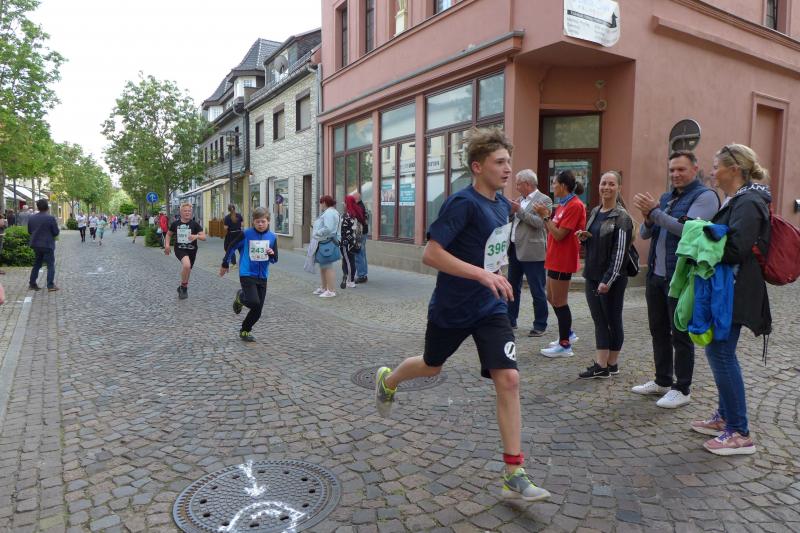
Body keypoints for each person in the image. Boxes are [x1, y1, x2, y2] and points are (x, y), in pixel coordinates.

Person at [375, 128, 550, 502]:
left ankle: (514, 472)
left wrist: (496, 275)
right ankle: (389, 380)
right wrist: (482, 275)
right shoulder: (461, 203)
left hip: (490, 307)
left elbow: (491, 253)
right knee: (431, 365)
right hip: (453, 307)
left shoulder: (502, 206)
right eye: (499, 162)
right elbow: (431, 254)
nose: (507, 169)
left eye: (508, 161)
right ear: (477, 166)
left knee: (509, 379)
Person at [687, 144, 771, 455]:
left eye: (716, 166)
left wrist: (704, 236)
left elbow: (736, 248)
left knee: (720, 353)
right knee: (719, 350)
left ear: (734, 169)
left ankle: (740, 432)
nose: (712, 172)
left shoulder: (749, 201)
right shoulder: (739, 199)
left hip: (736, 289)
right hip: (728, 288)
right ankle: (725, 418)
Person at [631, 150, 719, 408]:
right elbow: (645, 234)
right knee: (658, 330)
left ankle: (682, 388)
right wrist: (649, 218)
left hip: (681, 278)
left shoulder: (705, 196)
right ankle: (662, 380)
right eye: (672, 170)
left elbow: (687, 230)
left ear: (695, 169)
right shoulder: (666, 197)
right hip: (656, 275)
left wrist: (655, 212)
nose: (675, 174)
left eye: (681, 169)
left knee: (680, 333)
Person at [576, 171, 634, 379]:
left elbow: (620, 252)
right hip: (592, 274)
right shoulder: (595, 211)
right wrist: (584, 238)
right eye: (603, 183)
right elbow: (596, 241)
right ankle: (603, 365)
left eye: (611, 184)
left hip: (612, 279)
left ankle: (611, 363)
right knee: (599, 320)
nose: (606, 187)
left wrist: (608, 280)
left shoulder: (622, 217)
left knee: (613, 319)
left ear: (619, 188)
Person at [533, 170, 586, 357]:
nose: (553, 186)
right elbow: (553, 230)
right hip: (554, 258)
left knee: (560, 301)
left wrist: (545, 216)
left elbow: (559, 234)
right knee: (551, 298)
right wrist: (546, 216)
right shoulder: (563, 204)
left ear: (563, 186)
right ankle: (568, 333)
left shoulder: (575, 205)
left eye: (554, 183)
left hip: (563, 260)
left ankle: (565, 346)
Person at [220, 207, 278, 342]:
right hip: (247, 273)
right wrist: (225, 263)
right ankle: (241, 297)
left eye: (263, 221)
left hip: (262, 276)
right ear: (253, 222)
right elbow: (232, 246)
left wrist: (271, 254)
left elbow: (275, 259)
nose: (260, 224)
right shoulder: (246, 234)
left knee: (258, 310)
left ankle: (245, 330)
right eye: (257, 222)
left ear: (268, 221)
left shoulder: (272, 237)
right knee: (253, 302)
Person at [506, 169, 551, 337]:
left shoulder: (544, 199)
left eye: (518, 184)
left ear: (527, 184)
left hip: (533, 251)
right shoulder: (519, 200)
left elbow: (540, 223)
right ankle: (510, 320)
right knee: (512, 288)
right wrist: (511, 213)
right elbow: (515, 222)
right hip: (514, 250)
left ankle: (540, 325)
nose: (516, 187)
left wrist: (519, 211)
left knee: (537, 289)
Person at [164, 203, 206, 299]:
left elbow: (204, 237)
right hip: (180, 249)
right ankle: (183, 288)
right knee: (186, 265)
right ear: (181, 212)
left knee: (188, 269)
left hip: (192, 250)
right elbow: (168, 234)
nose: (187, 212)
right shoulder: (176, 224)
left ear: (191, 212)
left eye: (189, 211)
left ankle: (183, 287)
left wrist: (196, 236)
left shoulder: (194, 224)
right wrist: (167, 245)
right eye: (185, 211)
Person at [27, 199, 60, 292]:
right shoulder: (50, 218)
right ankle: (50, 285)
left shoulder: (32, 218)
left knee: (37, 264)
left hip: (36, 244)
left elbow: (29, 231)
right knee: (50, 265)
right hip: (47, 244)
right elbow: (55, 232)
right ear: (47, 207)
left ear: (38, 207)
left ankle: (32, 284)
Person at [311, 196, 341, 298]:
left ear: (324, 202)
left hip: (327, 241)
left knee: (327, 266)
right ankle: (324, 288)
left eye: (320, 203)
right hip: (326, 241)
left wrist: (317, 233)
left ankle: (331, 290)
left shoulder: (329, 213)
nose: (320, 205)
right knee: (323, 265)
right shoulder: (332, 212)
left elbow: (328, 228)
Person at [339, 195, 364, 290]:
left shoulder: (347, 215)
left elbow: (343, 230)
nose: (344, 204)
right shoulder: (356, 213)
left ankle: (350, 280)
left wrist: (343, 241)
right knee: (351, 260)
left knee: (348, 262)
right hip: (355, 242)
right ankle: (348, 277)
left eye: (345, 202)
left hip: (346, 243)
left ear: (347, 203)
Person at [352, 191, 369, 284]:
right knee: (362, 254)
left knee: (358, 254)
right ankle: (363, 274)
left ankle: (362, 275)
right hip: (363, 232)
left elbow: (357, 221)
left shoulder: (359, 207)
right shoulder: (361, 206)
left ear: (356, 198)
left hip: (360, 233)